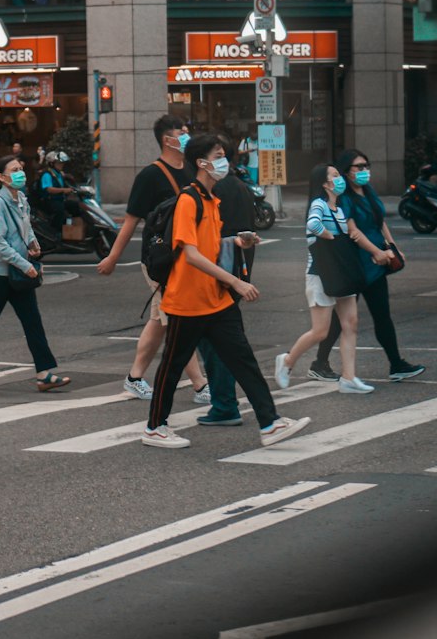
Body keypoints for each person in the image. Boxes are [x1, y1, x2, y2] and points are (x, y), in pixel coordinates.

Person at [143, 133, 311, 449]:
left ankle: (270, 422)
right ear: (201, 162)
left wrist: (236, 241)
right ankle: (154, 427)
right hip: (188, 302)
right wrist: (235, 281)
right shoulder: (188, 200)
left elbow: (207, 247)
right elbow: (190, 254)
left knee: (243, 360)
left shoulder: (211, 200)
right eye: (218, 155)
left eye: (224, 155)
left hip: (216, 300)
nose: (224, 161)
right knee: (172, 365)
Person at [96, 114, 211, 405]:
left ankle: (135, 378)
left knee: (160, 320)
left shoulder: (190, 169)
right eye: (181, 132)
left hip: (186, 255)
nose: (187, 135)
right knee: (177, 319)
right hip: (159, 259)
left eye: (187, 130)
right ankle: (200, 385)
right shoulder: (149, 176)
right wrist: (113, 257)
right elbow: (131, 221)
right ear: (167, 140)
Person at [275, 164, 392, 397]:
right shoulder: (319, 205)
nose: (340, 179)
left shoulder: (337, 208)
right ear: (325, 183)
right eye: (335, 175)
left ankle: (349, 378)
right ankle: (287, 360)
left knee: (351, 323)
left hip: (340, 271)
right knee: (321, 331)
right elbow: (312, 225)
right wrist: (329, 236)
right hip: (321, 273)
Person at [309, 149, 424, 384]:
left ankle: (395, 364)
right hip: (357, 262)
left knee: (378, 314)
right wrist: (377, 251)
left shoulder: (368, 191)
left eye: (366, 166)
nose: (364, 171)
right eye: (358, 167)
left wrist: (392, 246)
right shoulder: (344, 198)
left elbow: (379, 222)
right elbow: (353, 231)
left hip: (375, 263)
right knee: (345, 319)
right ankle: (319, 362)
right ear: (345, 172)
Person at [0, 155, 69, 392]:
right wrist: (25, 265)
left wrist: (33, 244)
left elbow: (25, 229)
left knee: (32, 321)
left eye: (21, 168)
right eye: (14, 170)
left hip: (18, 273)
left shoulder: (21, 199)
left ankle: (44, 373)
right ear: (1, 177)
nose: (20, 173)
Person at [195, 131, 261, 428]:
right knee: (225, 343)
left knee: (212, 344)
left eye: (219, 156)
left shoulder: (213, 191)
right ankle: (232, 404)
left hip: (216, 276)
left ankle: (224, 404)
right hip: (236, 273)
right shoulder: (240, 187)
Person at [37, 150, 80, 231]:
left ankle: (74, 229)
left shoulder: (59, 174)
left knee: (75, 205)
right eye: (59, 163)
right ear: (51, 164)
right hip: (49, 201)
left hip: (59, 199)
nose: (62, 165)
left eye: (62, 163)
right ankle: (55, 231)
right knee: (60, 210)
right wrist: (64, 190)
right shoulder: (47, 174)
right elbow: (49, 189)